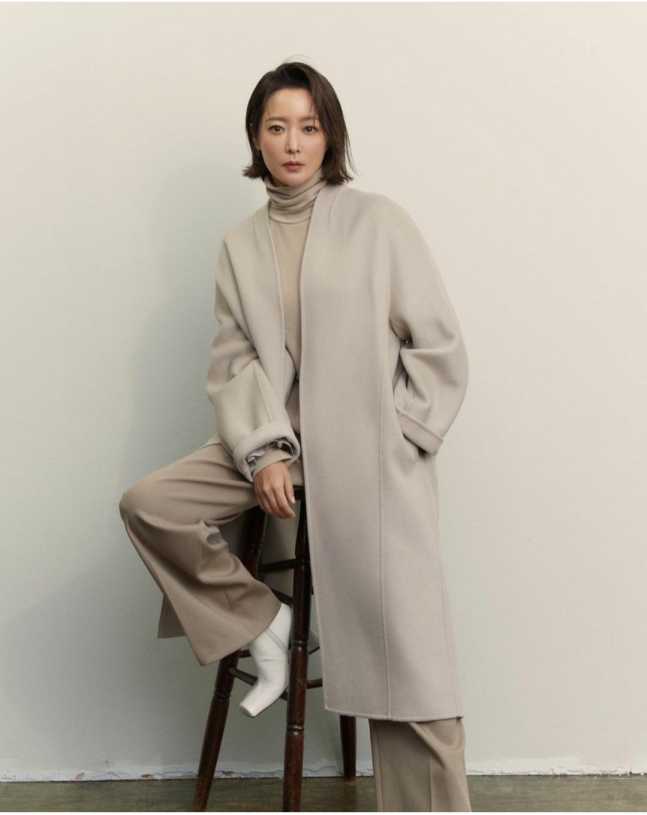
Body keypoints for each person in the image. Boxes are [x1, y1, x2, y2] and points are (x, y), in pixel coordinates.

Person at [118, 60, 472, 811]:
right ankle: (262, 620)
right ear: (255, 137)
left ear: (329, 136)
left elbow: (439, 346)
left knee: (410, 662)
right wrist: (265, 451)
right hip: (273, 441)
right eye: (277, 127)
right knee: (151, 504)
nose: (292, 143)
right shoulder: (240, 245)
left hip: (367, 453)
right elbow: (235, 362)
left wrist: (401, 437)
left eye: (308, 127)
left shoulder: (377, 222)